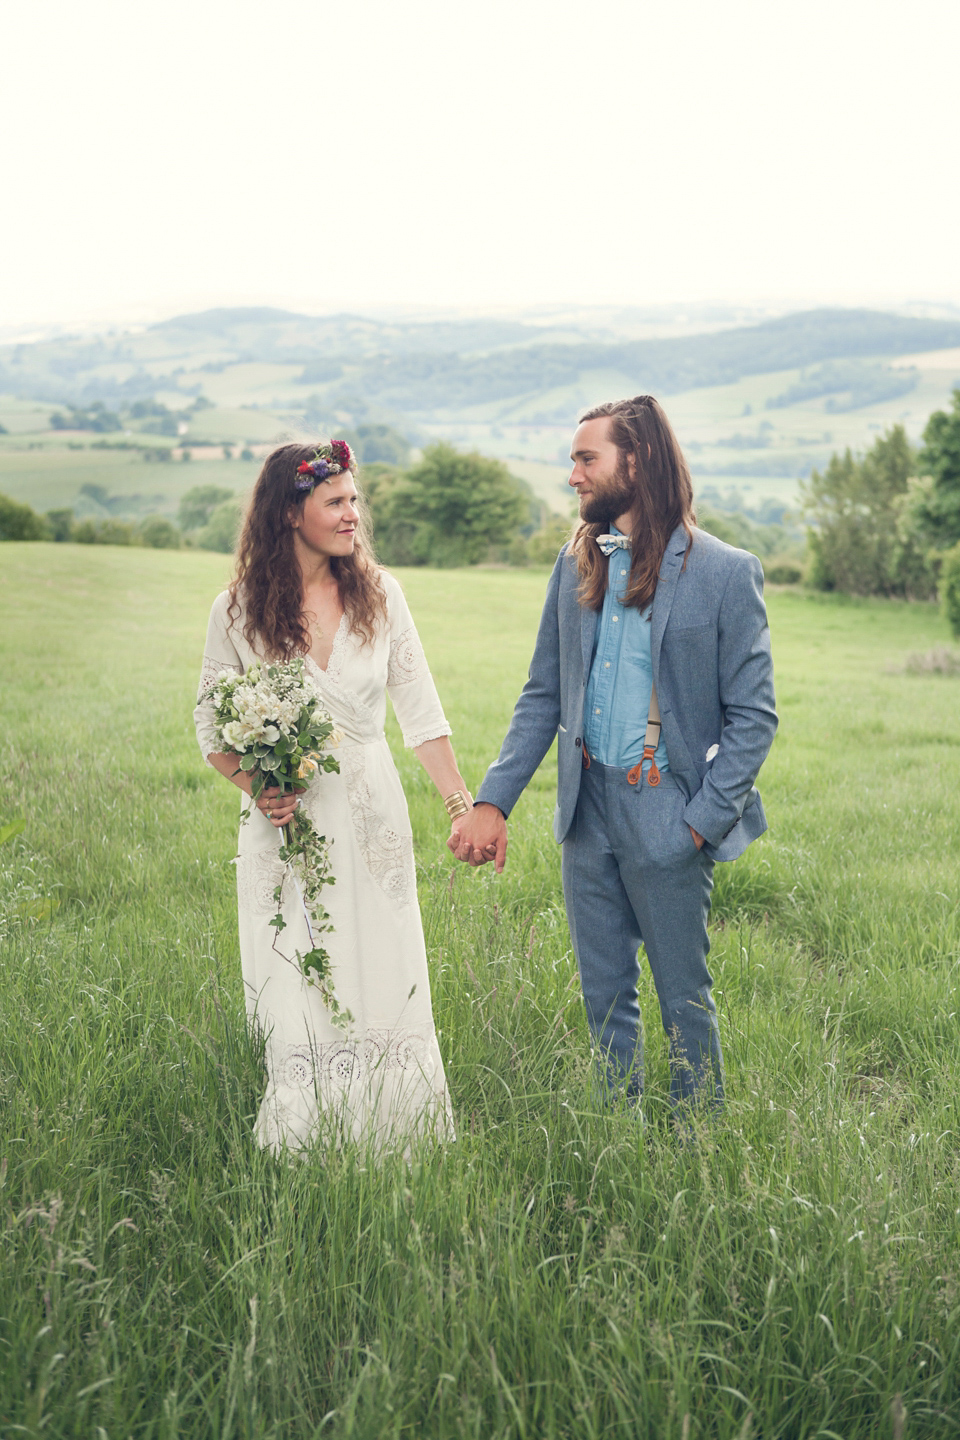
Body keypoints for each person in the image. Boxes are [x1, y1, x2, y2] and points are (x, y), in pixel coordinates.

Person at [448, 396, 777, 1113]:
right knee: (604, 998)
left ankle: (696, 1141)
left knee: (684, 1002)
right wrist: (491, 799)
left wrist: (697, 823)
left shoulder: (725, 572)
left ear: (639, 460)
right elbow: (542, 695)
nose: (573, 475)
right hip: (584, 809)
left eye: (585, 458)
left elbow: (754, 717)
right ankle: (616, 1136)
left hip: (668, 809)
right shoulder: (576, 565)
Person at [194, 440, 473, 1153]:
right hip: (285, 825)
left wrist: (459, 805)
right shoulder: (236, 611)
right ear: (292, 512)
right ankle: (305, 1133)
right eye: (337, 502)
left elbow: (422, 713)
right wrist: (257, 786)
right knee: (298, 964)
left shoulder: (381, 595)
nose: (354, 515)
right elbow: (209, 720)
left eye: (355, 501)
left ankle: (397, 1128)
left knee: (381, 957)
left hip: (372, 812)